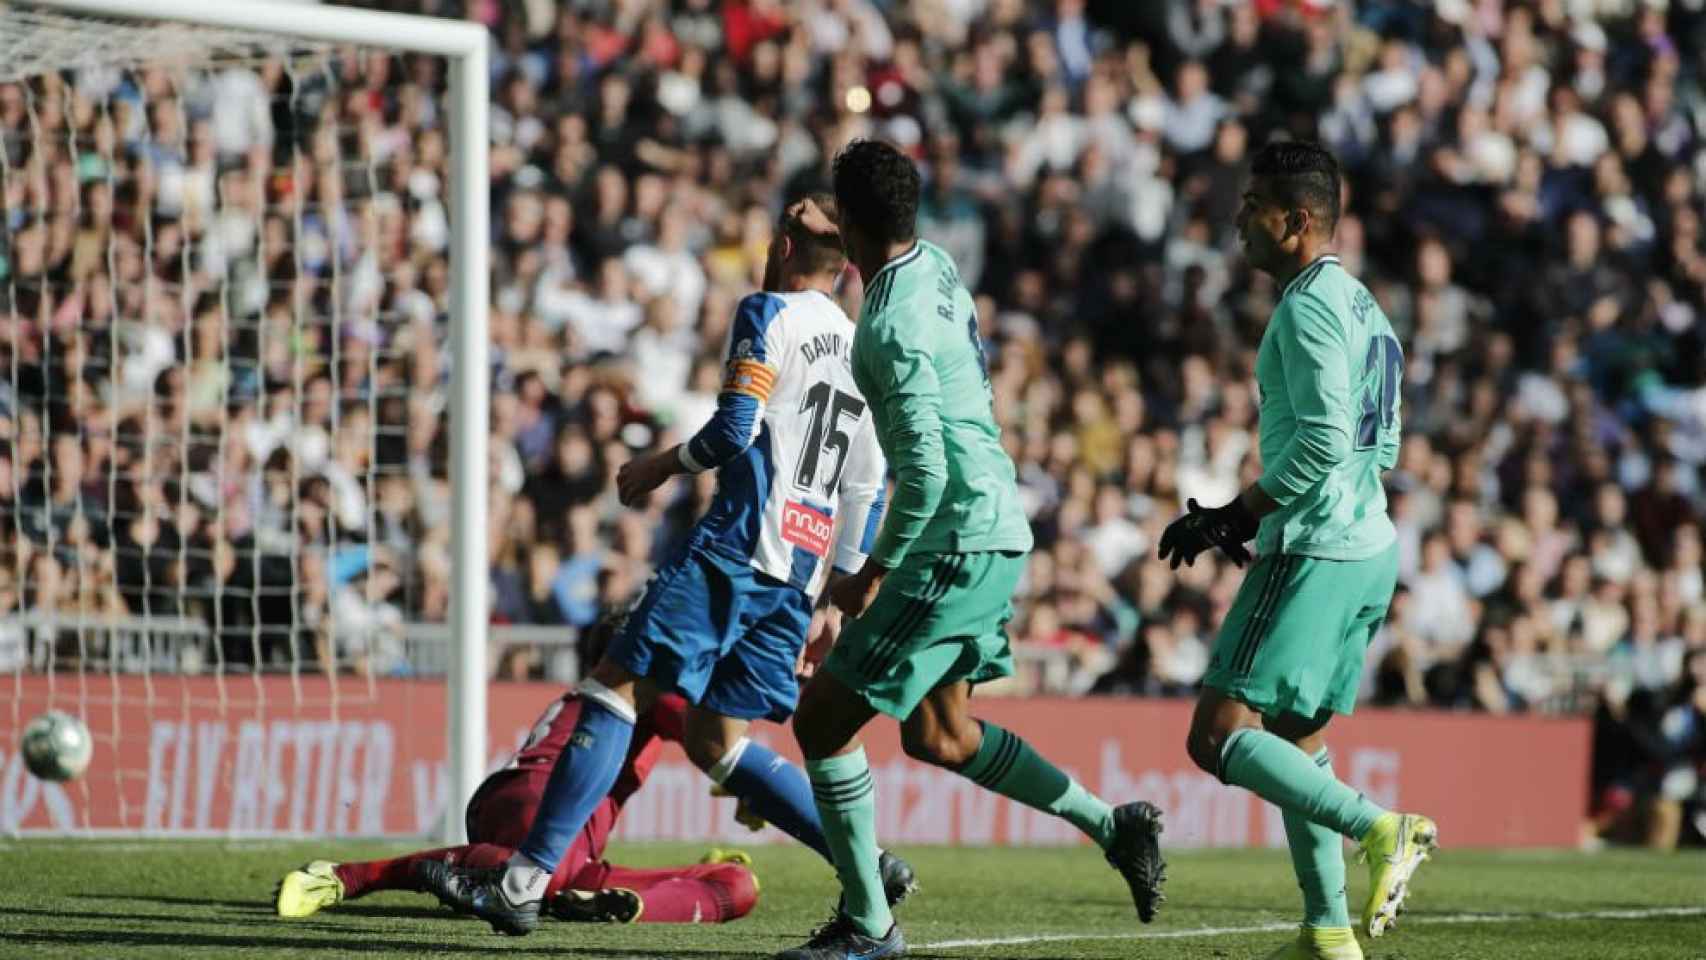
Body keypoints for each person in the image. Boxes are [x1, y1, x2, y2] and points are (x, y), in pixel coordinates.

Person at [459, 196, 913, 936]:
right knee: (714, 740)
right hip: (798, 577)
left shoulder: (769, 311)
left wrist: (660, 465)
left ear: (787, 248)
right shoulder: (859, 348)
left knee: (614, 689)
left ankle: (521, 881)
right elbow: (867, 484)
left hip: (735, 550)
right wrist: (836, 599)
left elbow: (736, 429)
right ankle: (867, 861)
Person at [775, 140, 1166, 960]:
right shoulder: (937, 267)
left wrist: (868, 575)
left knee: (821, 720)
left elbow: (923, 473)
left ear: (849, 221)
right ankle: (1113, 825)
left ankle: (869, 924)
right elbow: (880, 248)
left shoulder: (883, 329)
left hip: (951, 537)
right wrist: (840, 232)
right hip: (1000, 526)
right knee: (940, 737)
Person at [1159, 140, 1436, 960]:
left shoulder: (1309, 307)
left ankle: (1383, 827)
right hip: (1367, 544)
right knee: (1294, 742)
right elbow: (1379, 444)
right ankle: (1327, 932)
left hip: (1315, 548)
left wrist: (1233, 517)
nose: (1240, 219)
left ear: (1298, 220)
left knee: (1216, 737)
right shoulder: (1361, 305)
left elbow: (1318, 444)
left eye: (1255, 206)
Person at [274, 669, 758, 924]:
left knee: (738, 886)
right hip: (534, 800)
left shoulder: (623, 690)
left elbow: (702, 738)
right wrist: (747, 784)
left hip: (573, 853)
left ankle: (617, 907)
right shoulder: (640, 682)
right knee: (544, 875)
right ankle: (349, 876)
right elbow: (712, 740)